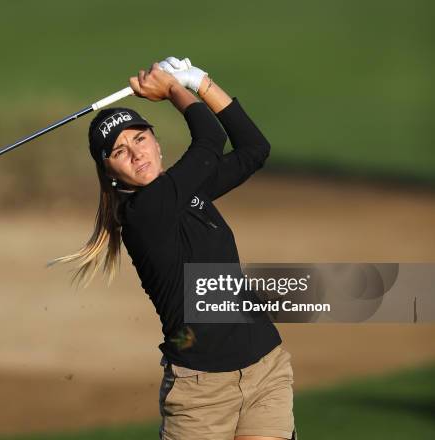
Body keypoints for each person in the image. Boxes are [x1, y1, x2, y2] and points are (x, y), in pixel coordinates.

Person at [50, 57, 297, 440]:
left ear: (156, 142)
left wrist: (201, 81)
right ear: (110, 173)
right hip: (202, 393)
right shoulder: (142, 214)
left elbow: (254, 149)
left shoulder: (188, 190)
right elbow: (210, 141)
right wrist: (175, 90)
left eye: (139, 138)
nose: (135, 154)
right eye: (118, 152)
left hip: (264, 366)